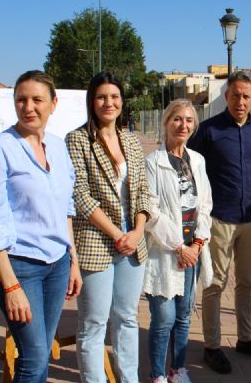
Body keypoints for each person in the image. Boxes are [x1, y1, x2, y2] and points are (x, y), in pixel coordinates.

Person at [0, 70, 82, 382]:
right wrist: (10, 286)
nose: (28, 107)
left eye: (37, 100)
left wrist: (72, 261)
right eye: (21, 100)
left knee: (42, 351)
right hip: (20, 267)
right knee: (33, 359)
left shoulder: (59, 148)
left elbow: (66, 209)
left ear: (53, 104)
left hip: (57, 264)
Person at [65, 72, 150, 382]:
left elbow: (142, 190)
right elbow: (80, 194)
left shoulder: (130, 139)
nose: (108, 102)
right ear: (92, 101)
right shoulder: (77, 139)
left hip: (133, 242)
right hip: (97, 242)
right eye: (101, 97)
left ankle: (129, 378)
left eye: (114, 97)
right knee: (94, 323)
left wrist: (138, 231)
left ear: (122, 102)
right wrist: (117, 234)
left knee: (127, 318)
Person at [187, 71, 251, 374]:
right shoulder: (208, 130)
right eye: (235, 95)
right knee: (214, 284)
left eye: (246, 96)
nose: (240, 101)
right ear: (227, 97)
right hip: (219, 219)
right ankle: (212, 346)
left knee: (247, 282)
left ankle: (245, 339)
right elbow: (193, 171)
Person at [142, 99, 214, 383]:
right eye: (177, 119)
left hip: (193, 252)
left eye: (188, 120)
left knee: (184, 317)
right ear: (166, 122)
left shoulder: (197, 160)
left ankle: (178, 369)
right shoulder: (152, 163)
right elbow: (151, 212)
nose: (183, 125)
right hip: (165, 252)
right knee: (163, 320)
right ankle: (158, 374)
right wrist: (179, 247)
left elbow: (205, 204)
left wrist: (197, 243)